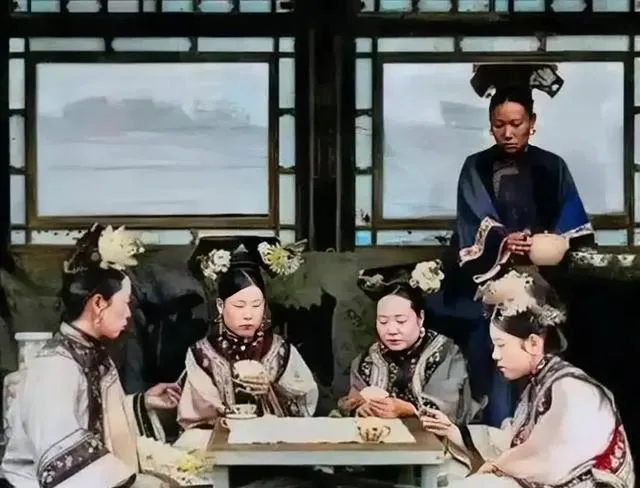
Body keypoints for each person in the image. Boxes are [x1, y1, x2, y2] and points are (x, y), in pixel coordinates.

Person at [447, 74, 594, 427]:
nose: (508, 133)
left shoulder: (553, 166)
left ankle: (549, 431)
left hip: (545, 283)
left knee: (551, 349)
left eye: (516, 124)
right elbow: (473, 220)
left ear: (532, 122)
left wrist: (546, 241)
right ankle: (498, 431)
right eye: (499, 125)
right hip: (491, 282)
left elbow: (573, 223)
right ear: (490, 126)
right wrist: (504, 240)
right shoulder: (476, 166)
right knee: (497, 355)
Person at [1, 223, 182, 488]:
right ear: (98, 303)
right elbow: (62, 454)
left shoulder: (92, 354)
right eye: (125, 303)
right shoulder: (55, 366)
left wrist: (143, 403)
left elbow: (95, 420)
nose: (129, 314)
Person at [421, 270, 634, 488]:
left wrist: (497, 466)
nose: (495, 355)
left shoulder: (573, 389)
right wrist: (456, 432)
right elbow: (516, 443)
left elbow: (545, 459)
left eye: (501, 345)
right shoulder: (541, 383)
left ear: (533, 343)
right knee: (448, 468)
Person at [177, 236, 318, 429]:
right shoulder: (202, 354)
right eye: (239, 305)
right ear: (220, 306)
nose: (248, 315)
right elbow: (195, 419)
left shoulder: (281, 351)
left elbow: (306, 401)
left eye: (256, 305)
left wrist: (273, 389)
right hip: (221, 443)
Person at [338, 260, 481, 424]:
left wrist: (410, 409)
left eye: (401, 321)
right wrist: (360, 408)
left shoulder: (444, 353)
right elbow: (353, 400)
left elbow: (450, 406)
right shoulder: (368, 359)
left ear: (420, 318)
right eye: (383, 321)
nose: (391, 330)